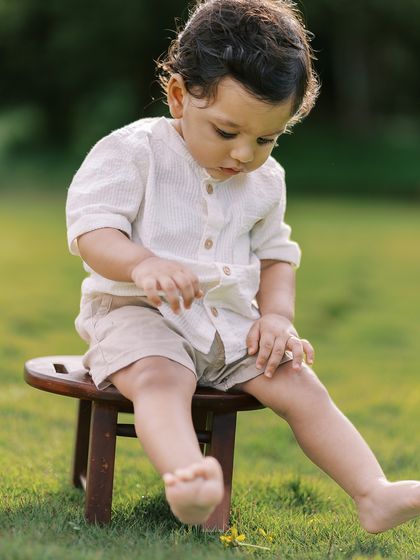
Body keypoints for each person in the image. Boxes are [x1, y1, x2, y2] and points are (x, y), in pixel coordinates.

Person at [66, 0, 420, 532]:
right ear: (181, 96)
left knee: (299, 382)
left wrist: (275, 318)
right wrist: (141, 264)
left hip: (229, 326)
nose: (244, 155)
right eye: (228, 133)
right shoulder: (134, 152)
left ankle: (372, 492)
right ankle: (189, 481)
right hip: (135, 313)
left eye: (266, 138)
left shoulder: (265, 179)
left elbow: (277, 255)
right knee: (163, 379)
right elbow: (92, 230)